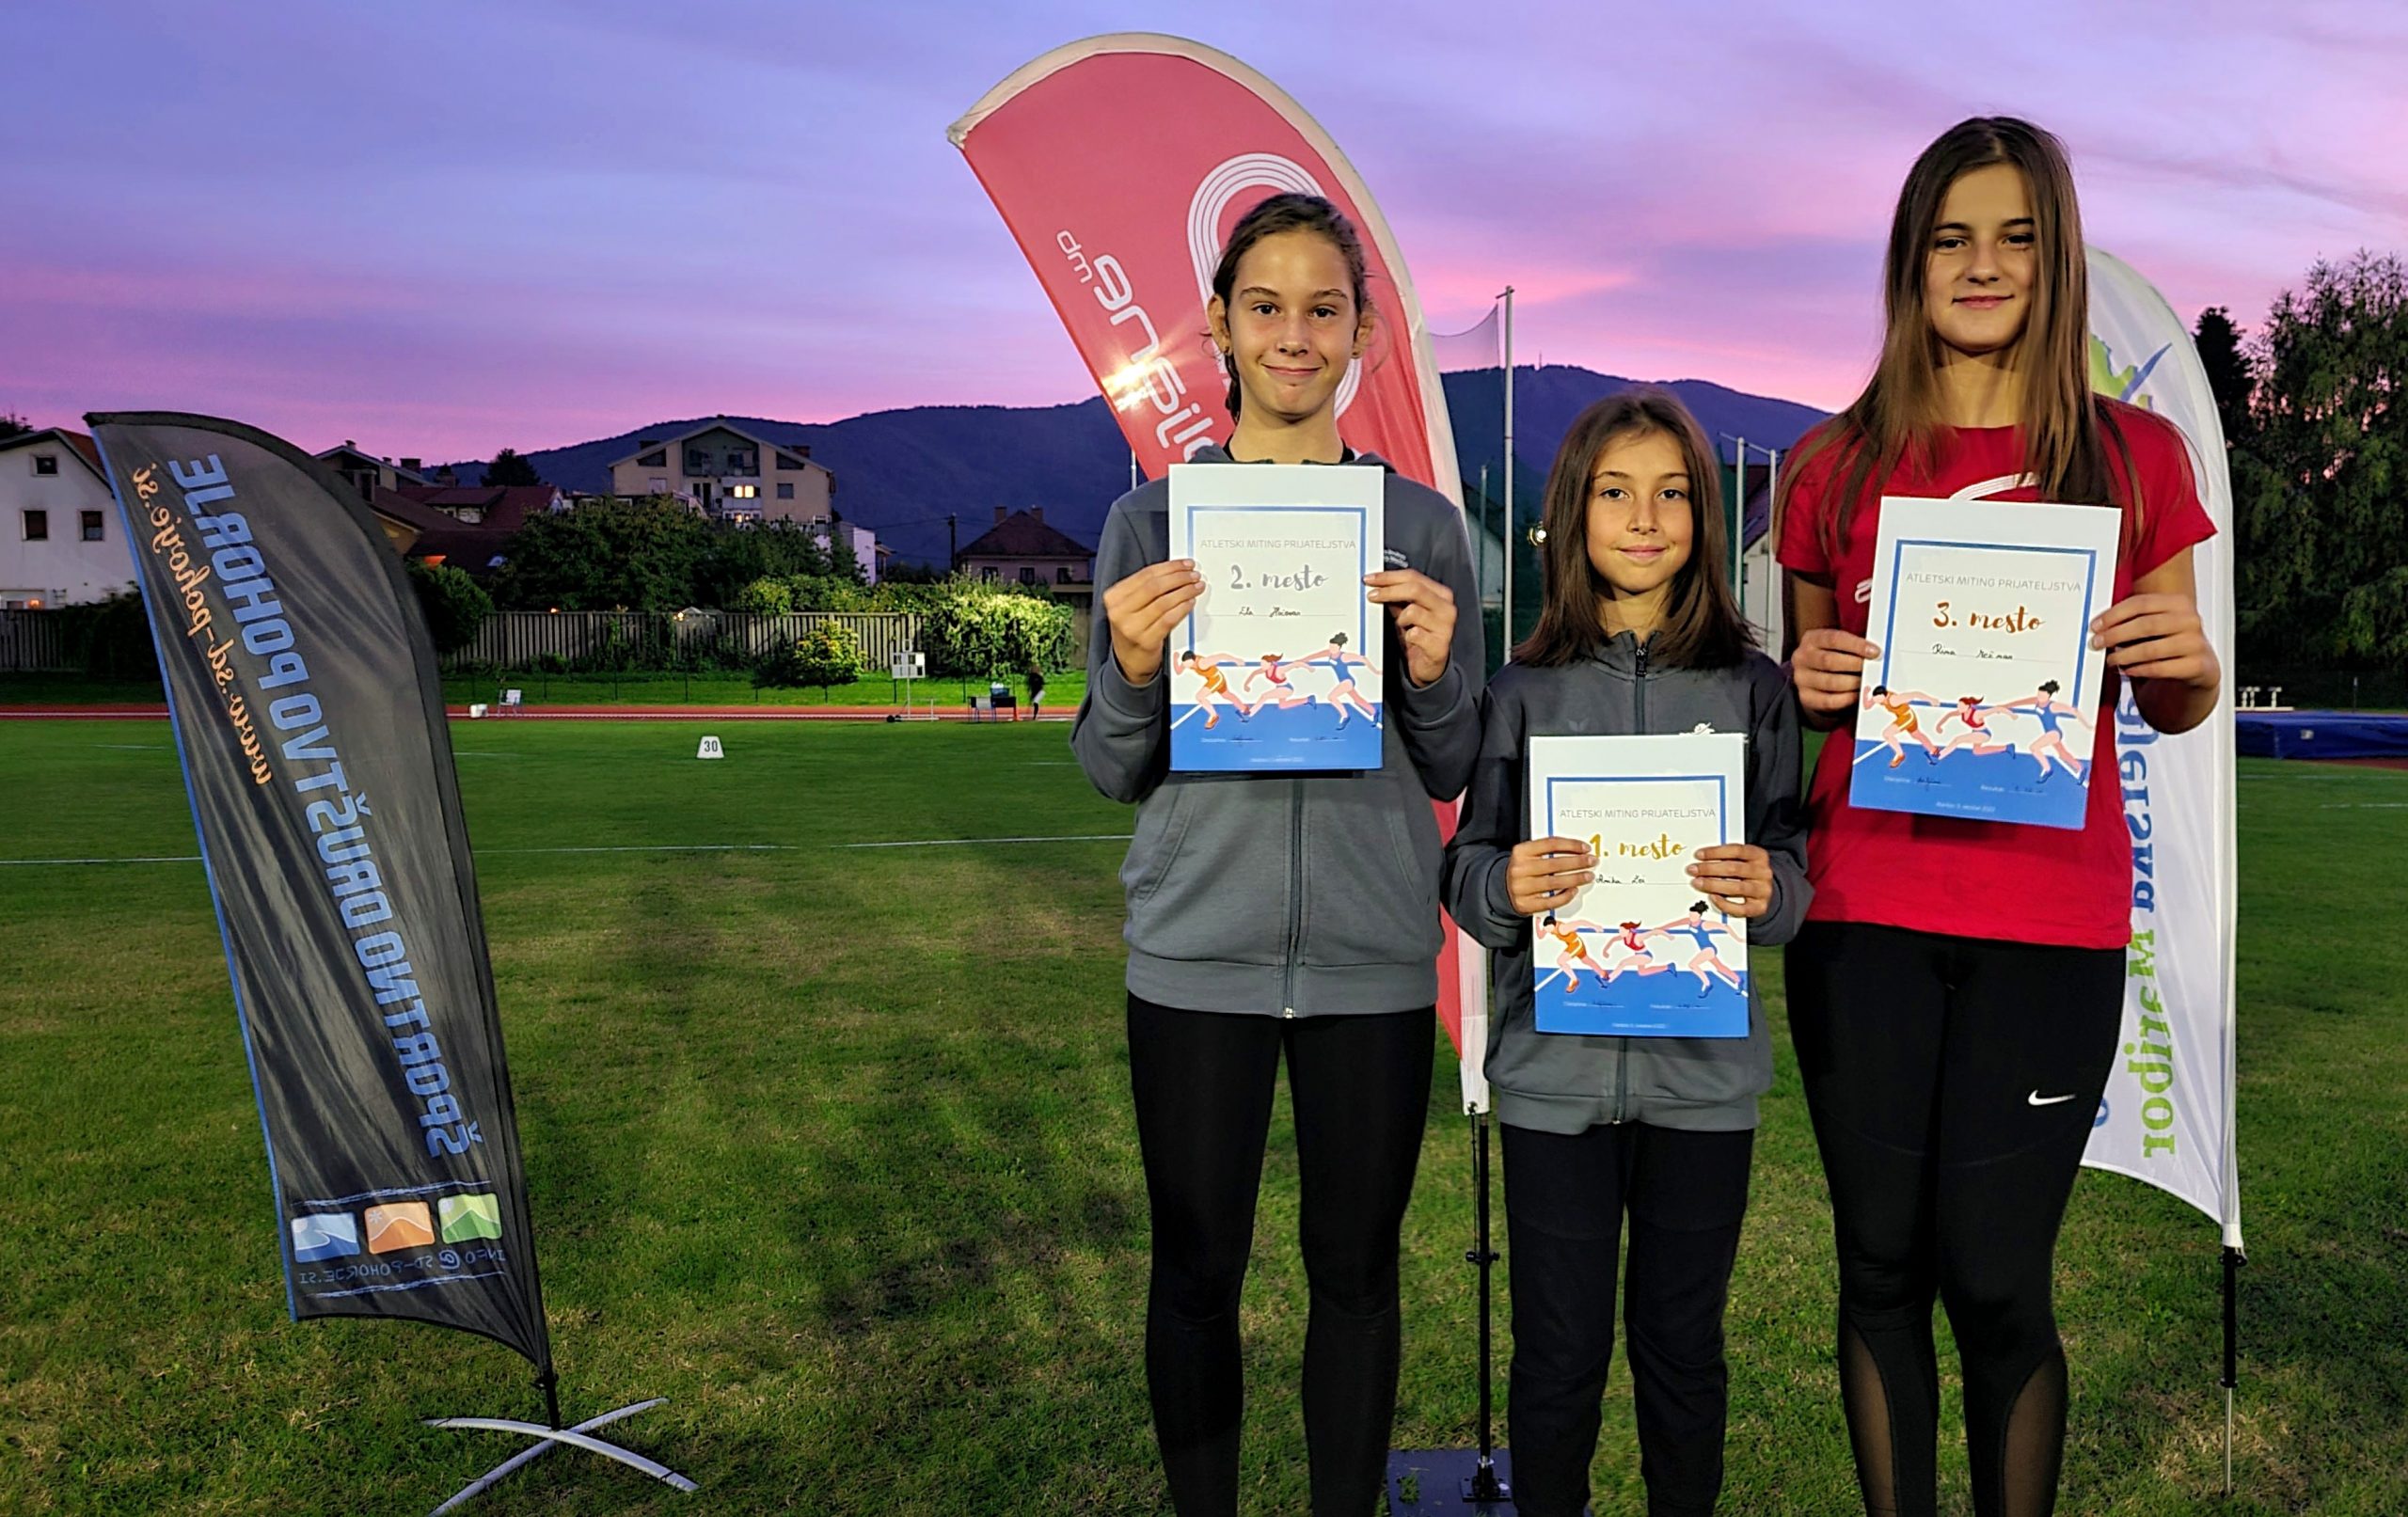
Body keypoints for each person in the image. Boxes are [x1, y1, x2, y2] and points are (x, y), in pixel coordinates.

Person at [1777, 118, 2221, 1517]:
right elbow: (1809, 693)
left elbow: (2177, 699)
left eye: (2015, 237)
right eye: (1951, 237)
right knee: (1878, 1268)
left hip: (2047, 924)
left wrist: (2191, 667)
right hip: (1862, 914)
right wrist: (1808, 678)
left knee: (1995, 1277)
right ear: (1910, 262)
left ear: (2056, 257)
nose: (1982, 265)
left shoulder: (2134, 455)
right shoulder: (1830, 462)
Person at [1069, 190, 1484, 1517]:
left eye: (1322, 309)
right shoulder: (1151, 524)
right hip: (1198, 956)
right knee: (1196, 1271)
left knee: (1356, 1275)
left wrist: (1433, 674)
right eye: (1266, 306)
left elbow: (1455, 762)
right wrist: (1135, 667)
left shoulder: (1422, 528)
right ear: (1218, 325)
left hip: (1369, 958)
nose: (1293, 336)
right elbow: (1108, 763)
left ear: (1362, 333)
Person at [1441, 389, 1810, 1517]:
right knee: (1557, 1357)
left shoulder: (1755, 690)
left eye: (1671, 493)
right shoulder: (1520, 691)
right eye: (1615, 491)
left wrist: (1771, 890)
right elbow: (1466, 865)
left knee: (1682, 1350)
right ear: (1572, 512)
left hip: (1702, 1085)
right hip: (1552, 1083)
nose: (1644, 518)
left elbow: (1792, 864)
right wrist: (1503, 887)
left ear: (1703, 516)